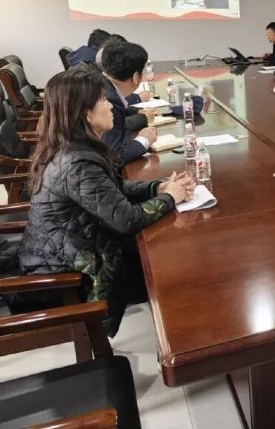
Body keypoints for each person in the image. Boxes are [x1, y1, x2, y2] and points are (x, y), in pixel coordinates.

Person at [18, 67, 194, 335]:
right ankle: (183, 337)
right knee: (169, 257)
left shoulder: (71, 146)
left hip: (72, 245)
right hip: (68, 268)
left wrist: (157, 187)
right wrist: (170, 197)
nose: (111, 105)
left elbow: (110, 188)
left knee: (164, 245)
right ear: (86, 113)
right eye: (102, 100)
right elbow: (126, 220)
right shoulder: (76, 162)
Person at [101, 42, 158, 164]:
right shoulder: (110, 101)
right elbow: (114, 157)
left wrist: (137, 111)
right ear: (136, 77)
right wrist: (144, 140)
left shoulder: (101, 85)